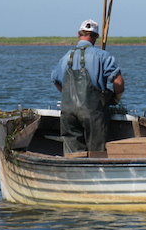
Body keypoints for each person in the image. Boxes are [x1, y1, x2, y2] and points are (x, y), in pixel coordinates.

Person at [51, 19, 125, 154]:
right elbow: (118, 82)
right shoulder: (103, 56)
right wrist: (115, 98)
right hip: (93, 112)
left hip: (68, 111)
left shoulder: (66, 57)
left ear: (79, 34)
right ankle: (95, 171)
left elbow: (55, 79)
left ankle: (75, 172)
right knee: (96, 153)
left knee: (73, 155)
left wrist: (67, 93)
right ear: (96, 37)